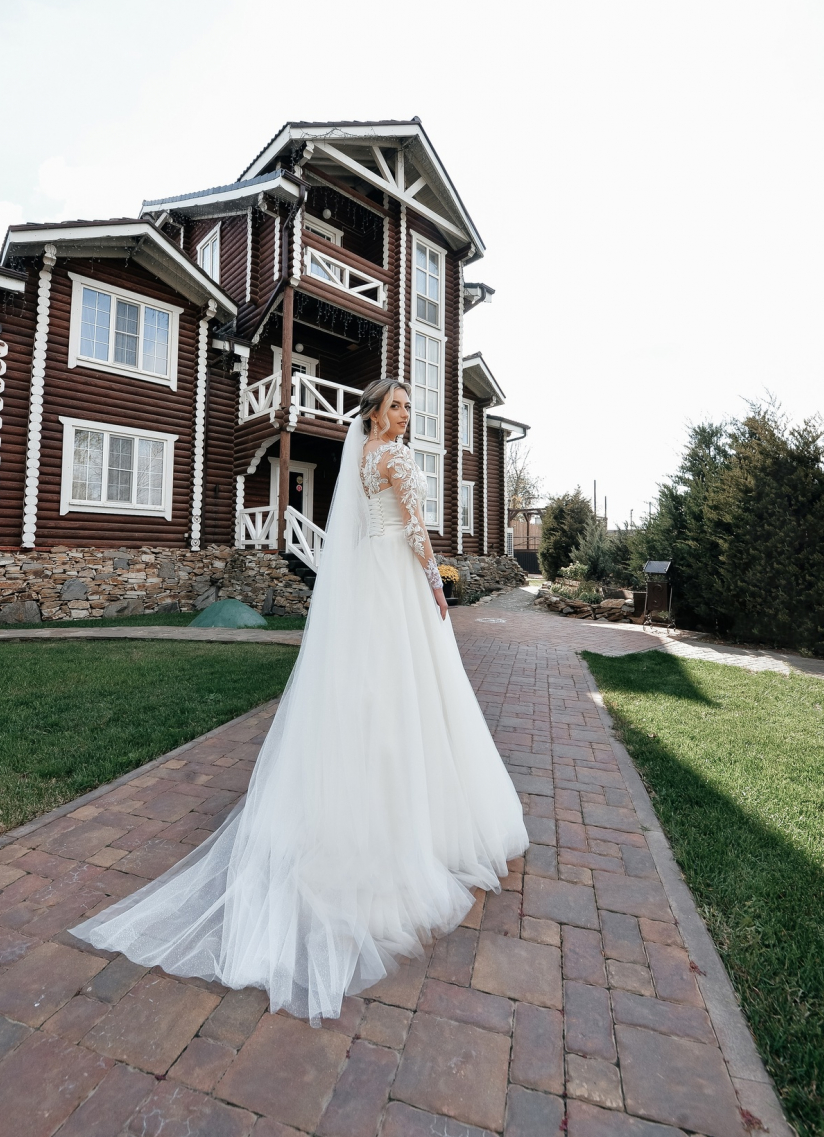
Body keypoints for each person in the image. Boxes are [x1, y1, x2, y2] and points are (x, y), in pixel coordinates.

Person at [71, 380, 527, 1024]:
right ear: (375, 412)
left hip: (370, 574)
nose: (406, 415)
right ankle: (410, 820)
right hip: (397, 575)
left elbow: (365, 526)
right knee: (410, 681)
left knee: (375, 683)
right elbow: (415, 528)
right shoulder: (394, 458)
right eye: (397, 406)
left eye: (407, 407)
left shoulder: (361, 456)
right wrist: (436, 583)